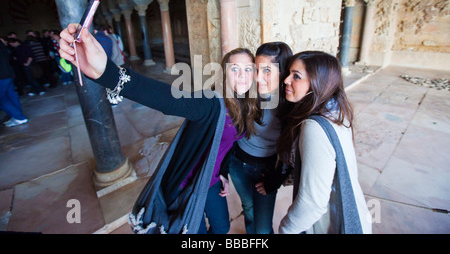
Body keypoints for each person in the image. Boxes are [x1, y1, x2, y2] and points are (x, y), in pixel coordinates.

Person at [58, 24, 261, 234]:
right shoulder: (209, 103)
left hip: (211, 181)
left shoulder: (246, 105)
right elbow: (166, 98)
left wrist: (223, 174)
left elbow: (227, 145)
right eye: (234, 69)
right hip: (188, 184)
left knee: (222, 227)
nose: (242, 75)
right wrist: (106, 72)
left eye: (248, 69)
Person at [275, 51, 371, 234]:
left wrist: (286, 229)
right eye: (289, 73)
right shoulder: (336, 110)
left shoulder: (314, 127)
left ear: (318, 82)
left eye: (296, 76)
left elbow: (313, 202)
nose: (286, 80)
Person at [226, 42, 292, 234]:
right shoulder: (246, 90)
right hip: (237, 163)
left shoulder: (289, 103)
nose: (257, 77)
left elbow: (291, 149)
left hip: (266, 170)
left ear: (282, 72)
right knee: (248, 210)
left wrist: (276, 179)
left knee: (263, 228)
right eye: (255, 69)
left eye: (266, 71)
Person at [0, 38, 28, 127]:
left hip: (1, 76)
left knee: (2, 99)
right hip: (9, 73)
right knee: (12, 95)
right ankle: (17, 116)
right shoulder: (2, 45)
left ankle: (19, 117)